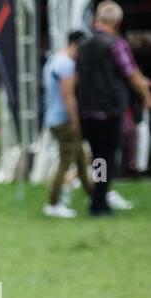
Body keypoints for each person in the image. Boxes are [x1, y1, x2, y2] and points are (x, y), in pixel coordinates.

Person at [75, 1, 151, 215]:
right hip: (108, 110)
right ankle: (100, 201)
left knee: (99, 157)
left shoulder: (83, 46)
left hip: (87, 110)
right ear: (117, 21)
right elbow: (131, 73)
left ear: (97, 19)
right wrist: (146, 96)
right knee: (106, 157)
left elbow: (77, 78)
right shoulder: (116, 44)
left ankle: (98, 198)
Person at [43, 31, 94, 218]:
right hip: (63, 120)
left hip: (55, 118)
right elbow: (68, 97)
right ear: (76, 45)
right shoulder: (65, 65)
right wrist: (75, 121)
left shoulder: (54, 59)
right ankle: (53, 203)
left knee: (81, 160)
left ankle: (95, 196)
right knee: (66, 162)